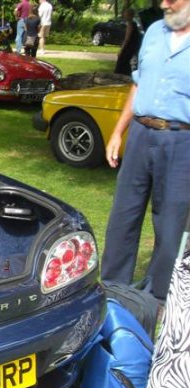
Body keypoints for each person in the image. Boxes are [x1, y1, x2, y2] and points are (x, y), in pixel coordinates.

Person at [102, 0, 190, 303]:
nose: (164, 3)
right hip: (140, 133)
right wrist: (118, 131)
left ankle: (156, 300)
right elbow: (138, 85)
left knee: (170, 225)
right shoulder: (154, 31)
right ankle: (112, 293)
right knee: (122, 217)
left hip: (181, 140)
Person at [114, 8, 141, 75]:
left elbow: (127, 39)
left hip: (129, 47)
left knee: (121, 61)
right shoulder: (133, 24)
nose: (124, 15)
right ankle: (127, 74)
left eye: (126, 14)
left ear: (129, 15)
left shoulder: (130, 25)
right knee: (125, 63)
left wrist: (121, 50)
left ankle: (121, 75)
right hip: (133, 47)